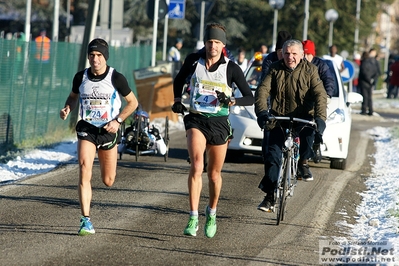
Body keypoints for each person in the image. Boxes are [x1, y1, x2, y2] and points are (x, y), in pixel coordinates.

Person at [171, 22, 254, 238]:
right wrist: (178, 99)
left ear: (223, 45)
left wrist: (232, 100)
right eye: (209, 42)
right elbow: (179, 80)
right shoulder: (193, 61)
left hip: (219, 122)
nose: (213, 46)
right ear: (205, 43)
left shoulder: (232, 68)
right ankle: (193, 217)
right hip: (197, 119)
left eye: (217, 42)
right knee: (197, 166)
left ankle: (212, 212)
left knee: (215, 175)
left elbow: (249, 96)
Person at [59, 38, 138, 236]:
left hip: (108, 131)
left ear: (105, 57)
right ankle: (85, 220)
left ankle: (88, 215)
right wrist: (68, 107)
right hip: (87, 128)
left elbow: (133, 103)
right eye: (92, 55)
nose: (95, 59)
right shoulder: (80, 77)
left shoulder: (116, 78)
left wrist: (118, 121)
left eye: (99, 55)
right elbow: (73, 96)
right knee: (85, 168)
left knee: (108, 180)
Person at [255, 39, 327, 212]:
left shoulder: (311, 70)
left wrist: (320, 119)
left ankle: (303, 162)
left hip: (304, 118)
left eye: (294, 53)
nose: (290, 57)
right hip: (279, 117)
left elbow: (320, 95)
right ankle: (270, 196)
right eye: (287, 53)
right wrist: (263, 113)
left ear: (302, 55)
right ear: (282, 54)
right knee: (272, 156)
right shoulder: (274, 69)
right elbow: (262, 91)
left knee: (310, 136)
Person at [358, 51, 380, 115]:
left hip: (364, 82)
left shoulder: (364, 63)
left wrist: (368, 79)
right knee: (369, 97)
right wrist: (372, 79)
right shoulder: (372, 63)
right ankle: (370, 110)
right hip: (370, 82)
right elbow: (376, 72)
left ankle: (364, 110)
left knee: (365, 97)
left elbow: (364, 72)